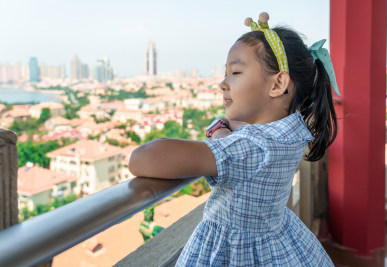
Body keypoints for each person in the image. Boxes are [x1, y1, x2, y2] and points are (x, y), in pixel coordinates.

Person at [129, 12, 339, 266]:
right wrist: (228, 131)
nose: (222, 84)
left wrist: (219, 133)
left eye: (235, 72)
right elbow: (256, 137)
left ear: (278, 84)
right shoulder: (291, 133)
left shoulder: (252, 147)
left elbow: (142, 159)